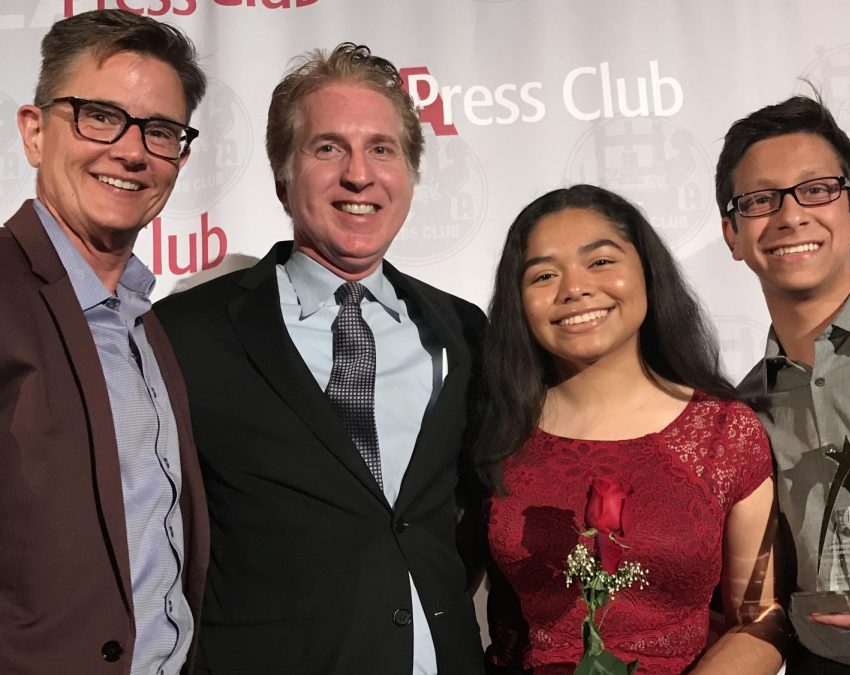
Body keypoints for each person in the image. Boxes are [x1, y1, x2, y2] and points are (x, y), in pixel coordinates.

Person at [154, 43, 486, 675]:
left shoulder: (463, 331)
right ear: (284, 177)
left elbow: (467, 519)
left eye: (383, 149)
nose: (359, 175)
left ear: (410, 174)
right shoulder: (185, 333)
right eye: (328, 147)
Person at [475, 184, 786, 675]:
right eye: (544, 274)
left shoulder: (724, 432)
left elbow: (762, 616)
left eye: (600, 262)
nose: (574, 288)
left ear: (647, 271)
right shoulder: (492, 432)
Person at [0, 9, 208, 674]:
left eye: (160, 131)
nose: (130, 149)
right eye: (99, 115)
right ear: (34, 132)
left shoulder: (150, 323)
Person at [718, 94, 850, 673]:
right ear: (733, 234)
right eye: (761, 199)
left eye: (817, 189)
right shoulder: (742, 410)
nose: (791, 215)